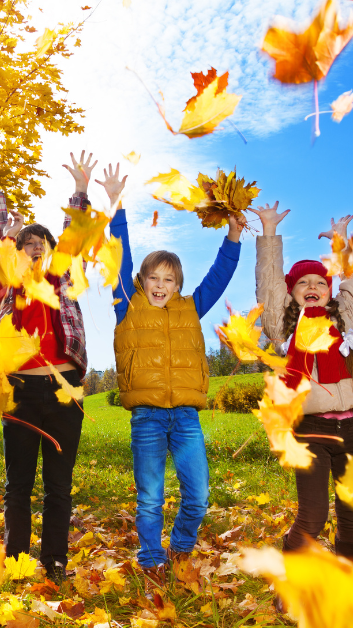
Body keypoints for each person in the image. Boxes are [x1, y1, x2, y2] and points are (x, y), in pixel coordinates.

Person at [109, 167, 242, 589]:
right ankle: (151, 561)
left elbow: (218, 278)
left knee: (198, 497)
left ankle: (180, 549)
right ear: (142, 281)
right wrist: (116, 206)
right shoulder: (127, 304)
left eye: (169, 279)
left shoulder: (190, 308)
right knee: (149, 498)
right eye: (154, 278)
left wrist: (234, 239)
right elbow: (119, 258)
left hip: (185, 416)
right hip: (146, 417)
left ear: (179, 284)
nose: (161, 285)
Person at [0, 149, 90, 584]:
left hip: (64, 392)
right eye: (27, 243)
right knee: (18, 484)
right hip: (20, 390)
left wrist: (79, 191)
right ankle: (18, 563)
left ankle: (55, 563)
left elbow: (75, 237)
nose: (35, 247)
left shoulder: (63, 277)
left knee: (59, 485)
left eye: (42, 243)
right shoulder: (8, 282)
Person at [252, 205, 353, 572]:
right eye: (303, 282)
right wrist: (270, 234)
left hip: (352, 430)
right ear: (293, 292)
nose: (313, 287)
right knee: (315, 515)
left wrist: (343, 248)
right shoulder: (284, 328)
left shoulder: (344, 320)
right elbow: (270, 286)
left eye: (320, 282)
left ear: (329, 291)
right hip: (311, 432)